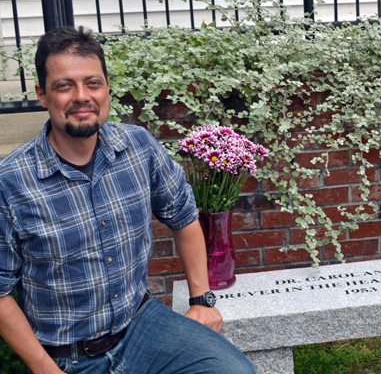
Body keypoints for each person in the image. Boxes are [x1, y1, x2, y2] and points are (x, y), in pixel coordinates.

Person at [0, 26, 255, 373]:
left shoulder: (138, 147)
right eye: (64, 85)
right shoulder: (10, 182)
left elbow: (183, 215)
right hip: (66, 356)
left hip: (141, 324)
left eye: (93, 83)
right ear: (42, 95)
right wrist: (45, 369)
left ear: (107, 88)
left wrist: (202, 299)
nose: (81, 97)